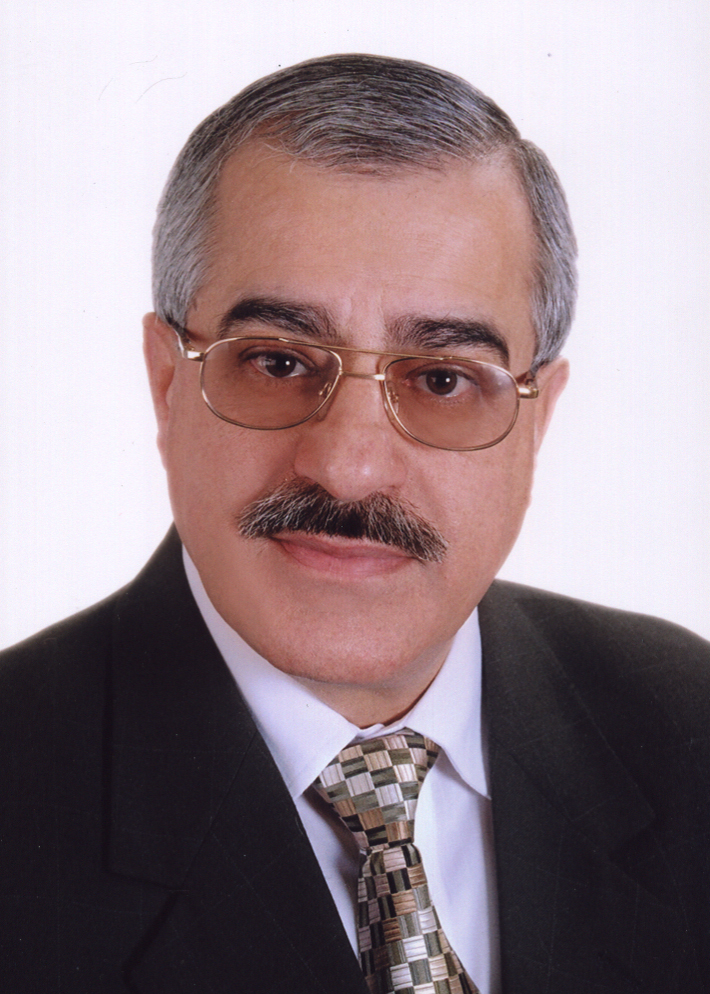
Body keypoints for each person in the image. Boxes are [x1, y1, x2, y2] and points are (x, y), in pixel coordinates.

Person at [1, 54, 709, 994]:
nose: (348, 465)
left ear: (536, 423)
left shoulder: (688, 727)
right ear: (168, 383)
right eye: (277, 362)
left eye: (443, 379)